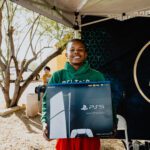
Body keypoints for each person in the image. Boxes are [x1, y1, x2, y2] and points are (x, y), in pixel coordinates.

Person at [41, 39, 105, 150]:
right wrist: (45, 122)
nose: (76, 52)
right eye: (72, 50)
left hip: (90, 134)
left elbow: (106, 101)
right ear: (66, 54)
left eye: (80, 50)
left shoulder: (97, 76)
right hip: (65, 134)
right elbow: (47, 101)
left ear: (85, 54)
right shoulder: (57, 76)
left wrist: (112, 121)